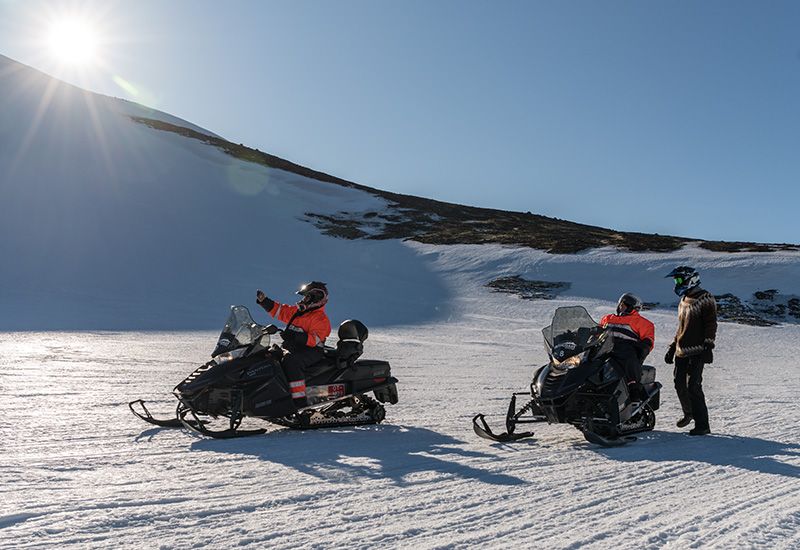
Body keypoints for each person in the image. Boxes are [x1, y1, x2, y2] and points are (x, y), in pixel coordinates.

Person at [255, 281, 332, 409]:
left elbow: (314, 340)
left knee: (291, 362)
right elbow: (281, 311)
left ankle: (299, 401)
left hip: (311, 351)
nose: (303, 299)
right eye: (304, 297)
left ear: (315, 298)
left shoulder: (320, 319)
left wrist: (294, 336)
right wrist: (264, 301)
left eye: (307, 297)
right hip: (294, 348)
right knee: (269, 355)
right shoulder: (299, 312)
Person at [663, 266, 717, 436]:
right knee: (679, 384)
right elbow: (681, 326)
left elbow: (711, 323)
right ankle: (689, 413)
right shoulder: (684, 299)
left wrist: (708, 345)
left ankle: (703, 425)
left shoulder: (705, 297)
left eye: (679, 279)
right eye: (675, 280)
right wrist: (672, 347)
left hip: (698, 349)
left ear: (690, 279)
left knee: (693, 386)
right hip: (681, 350)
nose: (676, 283)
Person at [600, 293, 655, 402]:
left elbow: (648, 339)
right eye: (620, 304)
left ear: (631, 307)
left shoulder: (642, 323)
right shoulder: (607, 318)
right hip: (604, 350)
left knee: (628, 356)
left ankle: (634, 388)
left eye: (624, 305)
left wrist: (644, 345)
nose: (621, 307)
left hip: (624, 351)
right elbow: (598, 332)